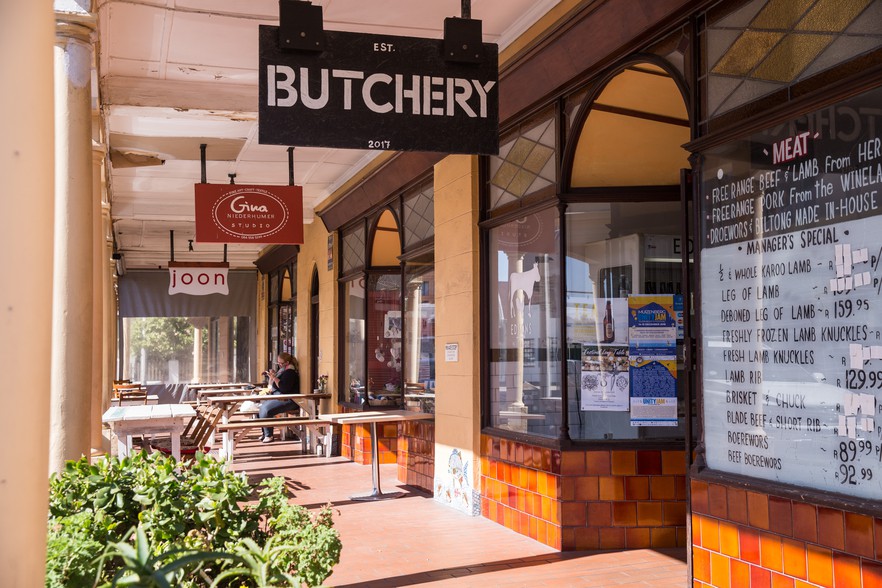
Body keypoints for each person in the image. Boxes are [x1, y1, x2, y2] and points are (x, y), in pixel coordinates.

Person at [259, 352, 300, 443]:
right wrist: (272, 377)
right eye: (278, 363)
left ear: (287, 363)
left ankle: (268, 435)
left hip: (289, 400)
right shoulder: (282, 371)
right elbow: (271, 386)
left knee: (266, 409)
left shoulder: (290, 372)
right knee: (261, 407)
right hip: (279, 397)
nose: (279, 365)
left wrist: (275, 378)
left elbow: (284, 388)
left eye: (281, 363)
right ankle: (265, 433)